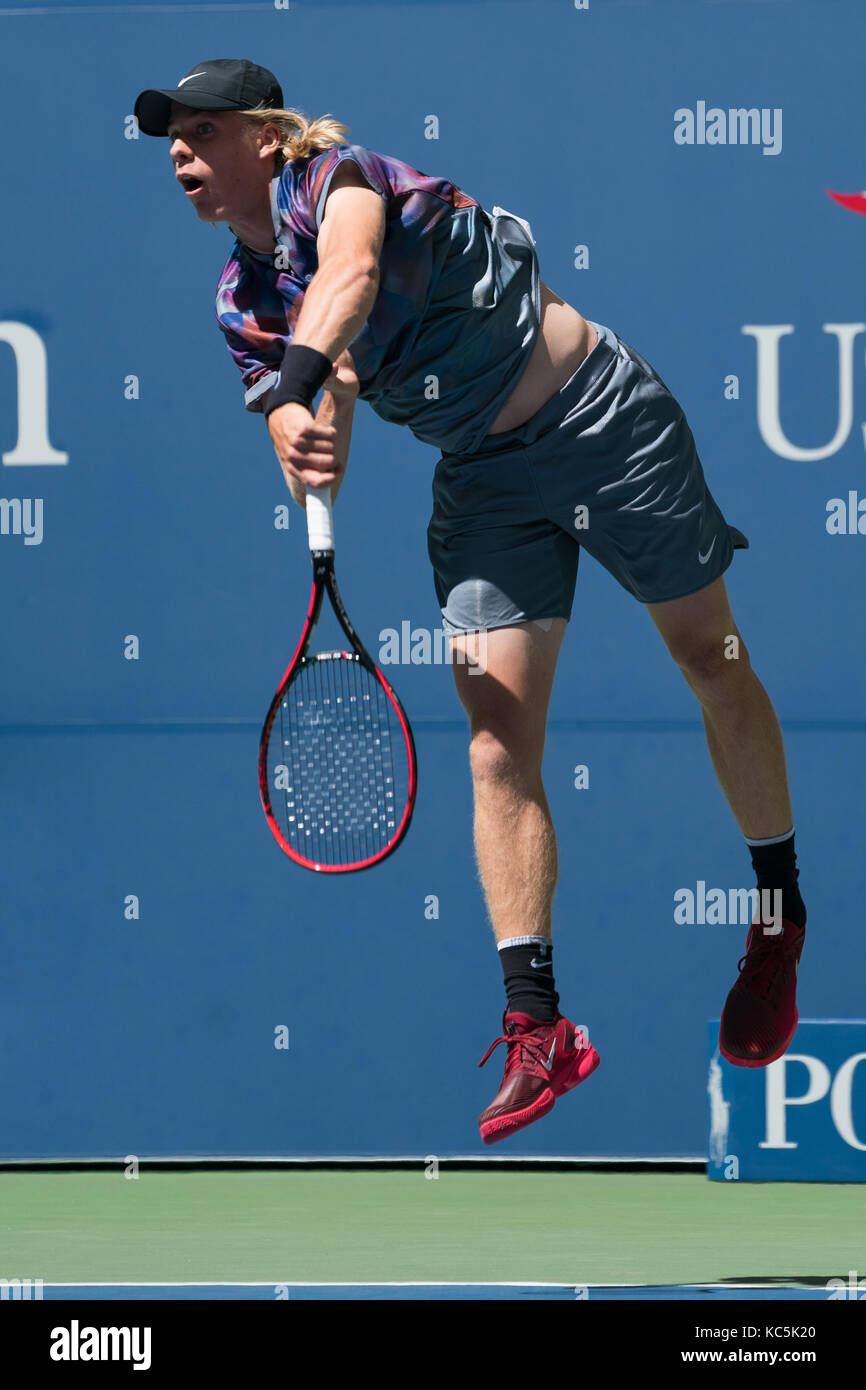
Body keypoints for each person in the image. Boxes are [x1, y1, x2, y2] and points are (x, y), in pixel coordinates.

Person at [135, 59, 807, 1145]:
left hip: (600, 421)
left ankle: (774, 912)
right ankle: (538, 1025)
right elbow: (318, 420)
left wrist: (303, 384)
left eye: (200, 130)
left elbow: (349, 278)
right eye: (168, 138)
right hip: (482, 482)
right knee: (495, 744)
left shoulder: (339, 180)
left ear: (265, 137)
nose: (178, 151)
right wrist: (301, 436)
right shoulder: (241, 301)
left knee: (708, 658)